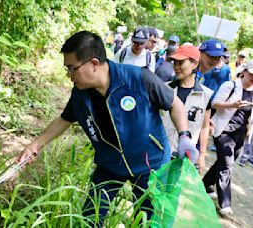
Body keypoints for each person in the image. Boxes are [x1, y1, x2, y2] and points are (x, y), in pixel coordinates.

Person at [17, 31, 198, 226]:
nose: (69, 75)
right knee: (90, 217)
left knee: (147, 220)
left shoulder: (138, 79)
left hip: (150, 164)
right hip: (110, 164)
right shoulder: (80, 94)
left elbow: (174, 104)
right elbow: (64, 119)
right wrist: (35, 145)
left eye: (72, 69)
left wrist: (184, 136)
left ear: (94, 64)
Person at [202, 60, 253, 216]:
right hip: (224, 130)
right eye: (251, 73)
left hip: (241, 133)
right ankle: (225, 203)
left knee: (223, 161)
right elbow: (215, 103)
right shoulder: (230, 86)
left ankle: (205, 183)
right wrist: (233, 105)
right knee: (227, 164)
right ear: (244, 71)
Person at [160, 45, 213, 174]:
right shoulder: (163, 89)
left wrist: (201, 155)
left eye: (181, 63)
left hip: (182, 156)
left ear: (194, 64)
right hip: (158, 150)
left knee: (171, 190)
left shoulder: (205, 95)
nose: (177, 67)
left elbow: (204, 127)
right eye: (175, 63)